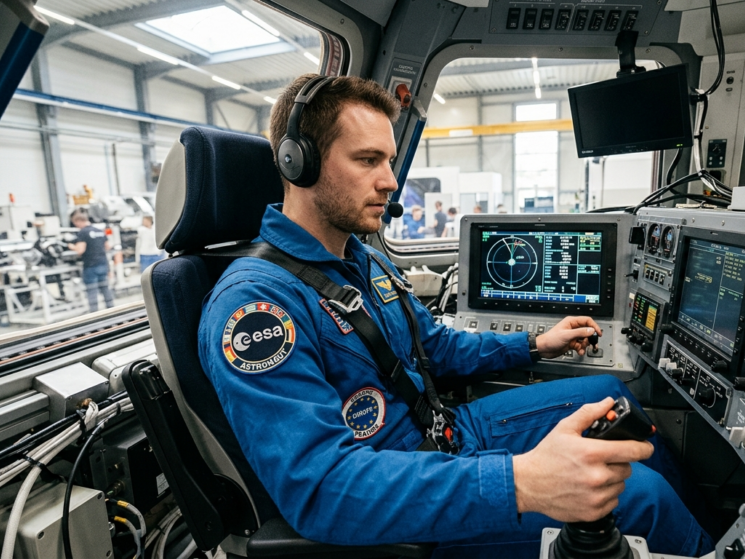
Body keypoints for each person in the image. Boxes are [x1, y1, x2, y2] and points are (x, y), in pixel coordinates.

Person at [197, 74, 712, 558]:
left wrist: (534, 345)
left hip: (447, 432)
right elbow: (323, 490)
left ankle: (720, 538)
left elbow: (437, 348)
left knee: (612, 401)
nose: (390, 181)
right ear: (299, 163)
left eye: (389, 160)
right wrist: (523, 483)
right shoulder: (255, 307)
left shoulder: (365, 259)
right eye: (367, 160)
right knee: (639, 495)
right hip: (400, 493)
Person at [68, 210, 114, 312]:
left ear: (78, 221)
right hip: (103, 264)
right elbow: (108, 246)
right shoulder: (99, 231)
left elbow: (80, 250)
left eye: (75, 223)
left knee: (92, 292)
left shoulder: (83, 232)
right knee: (105, 289)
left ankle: (94, 315)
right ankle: (112, 312)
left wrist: (71, 246)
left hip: (91, 267)